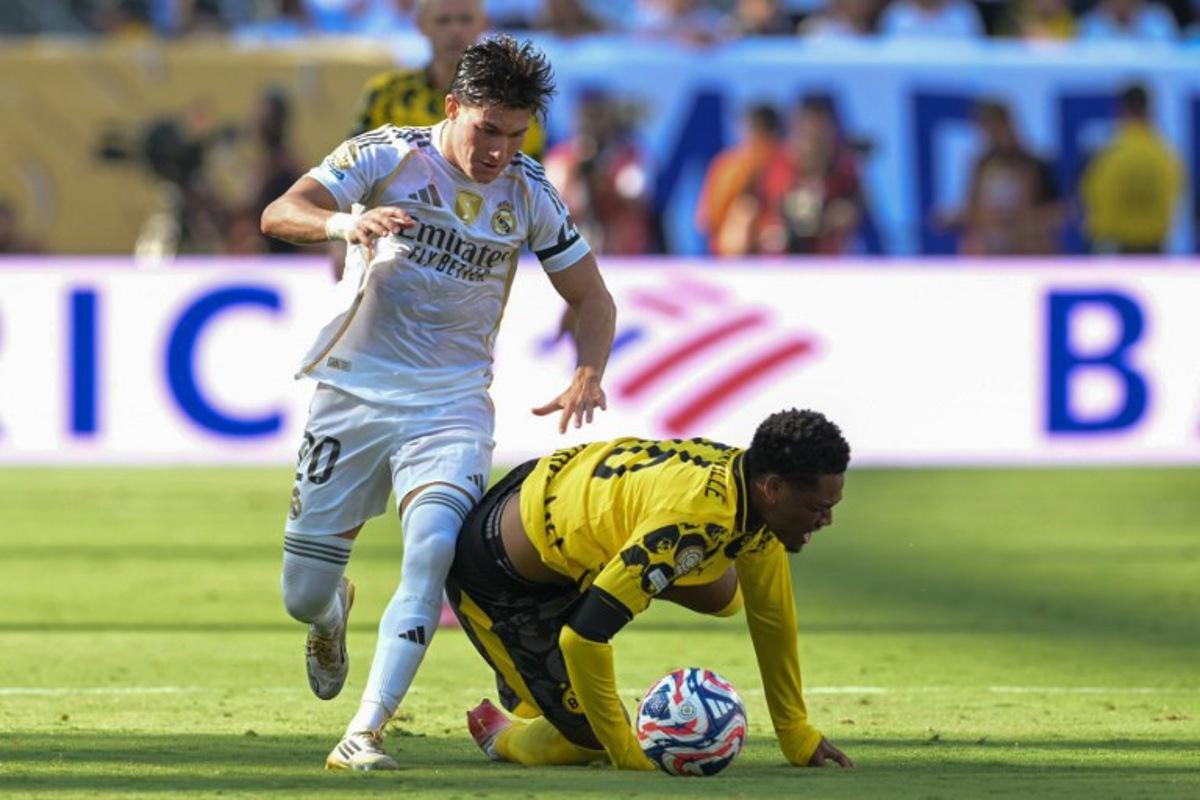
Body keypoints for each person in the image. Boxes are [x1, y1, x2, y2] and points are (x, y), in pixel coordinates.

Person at [260, 34, 617, 771]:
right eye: (487, 129)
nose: (498, 151)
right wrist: (341, 223)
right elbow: (280, 212)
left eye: (515, 135)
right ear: (453, 107)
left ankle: (364, 732)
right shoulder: (387, 155)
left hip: (450, 407)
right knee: (301, 591)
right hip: (354, 390)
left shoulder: (529, 194)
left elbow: (592, 297)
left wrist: (589, 368)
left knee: (430, 554)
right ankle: (330, 615)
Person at [450, 408, 855, 771]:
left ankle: (609, 592)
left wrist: (796, 732)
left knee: (725, 593)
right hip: (502, 577)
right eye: (816, 508)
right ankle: (501, 734)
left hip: (559, 491)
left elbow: (772, 617)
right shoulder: (694, 521)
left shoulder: (752, 495)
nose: (827, 520)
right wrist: (626, 752)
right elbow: (583, 637)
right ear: (773, 489)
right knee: (592, 741)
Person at [351, 0, 544, 159]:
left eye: (465, 20)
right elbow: (356, 166)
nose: (455, 30)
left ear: (484, 24)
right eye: (443, 20)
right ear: (420, 25)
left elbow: (528, 183)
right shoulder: (387, 94)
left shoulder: (513, 99)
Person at [1080, 84, 1183, 254]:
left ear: (1121, 109)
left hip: (1114, 250)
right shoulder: (1166, 154)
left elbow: (1089, 199)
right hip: (1155, 250)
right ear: (1150, 110)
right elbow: (1175, 199)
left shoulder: (1107, 153)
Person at [956, 100, 1062, 255]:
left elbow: (1058, 211)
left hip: (1029, 252)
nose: (989, 133)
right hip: (990, 254)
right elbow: (971, 210)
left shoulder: (1036, 164)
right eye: (984, 128)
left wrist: (1025, 220)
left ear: (1008, 124)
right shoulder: (980, 166)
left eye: (994, 126)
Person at [695, 103, 786, 256]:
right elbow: (707, 220)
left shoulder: (784, 164)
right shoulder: (729, 166)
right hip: (729, 260)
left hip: (778, 260)